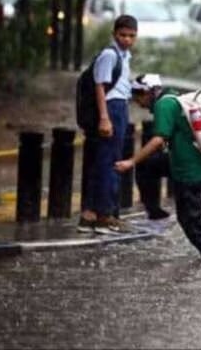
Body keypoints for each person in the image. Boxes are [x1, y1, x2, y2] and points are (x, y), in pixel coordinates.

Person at [114, 77, 201, 261]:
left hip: (187, 169)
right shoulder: (173, 97)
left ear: (148, 93)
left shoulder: (163, 105)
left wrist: (130, 161)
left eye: (137, 98)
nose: (138, 103)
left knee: (189, 220)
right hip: (186, 162)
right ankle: (155, 213)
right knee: (147, 165)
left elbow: (158, 140)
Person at [77, 14, 138, 235]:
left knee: (105, 160)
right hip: (111, 108)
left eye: (131, 36)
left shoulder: (124, 56)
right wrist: (104, 117)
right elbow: (99, 87)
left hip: (120, 107)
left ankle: (91, 215)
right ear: (114, 34)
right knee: (107, 163)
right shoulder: (109, 55)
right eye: (123, 35)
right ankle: (103, 216)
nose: (127, 39)